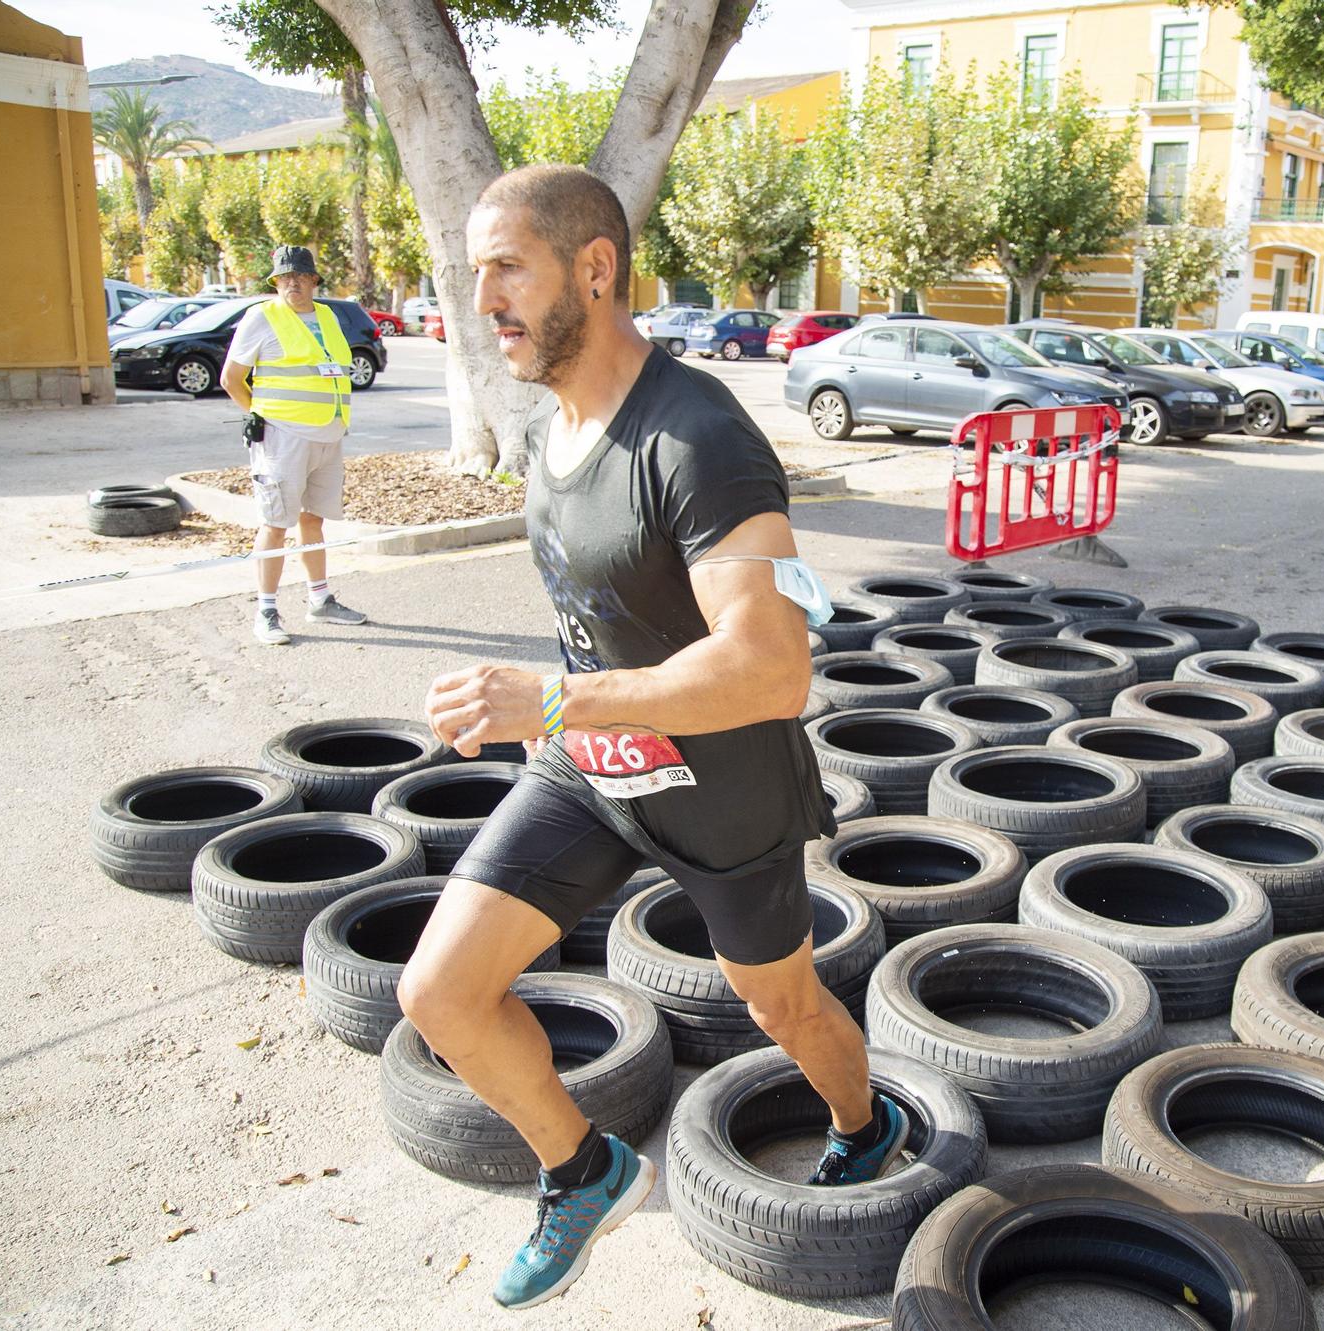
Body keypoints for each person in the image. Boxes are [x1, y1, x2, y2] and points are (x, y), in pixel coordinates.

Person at [402, 163, 901, 1311]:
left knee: (780, 1006)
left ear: (594, 266)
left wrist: (556, 700)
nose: (482, 303)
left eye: (507, 270)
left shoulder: (695, 438)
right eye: (472, 275)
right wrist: (544, 711)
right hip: (593, 767)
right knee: (440, 990)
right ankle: (583, 1171)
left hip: (725, 788)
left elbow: (774, 666)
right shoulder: (549, 426)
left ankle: (862, 1125)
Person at [219, 244, 367, 645]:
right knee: (275, 523)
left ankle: (320, 600)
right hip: (284, 437)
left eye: (300, 276)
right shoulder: (261, 317)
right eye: (285, 278)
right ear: (276, 282)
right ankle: (266, 610)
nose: (292, 284)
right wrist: (258, 413)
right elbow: (231, 379)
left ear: (314, 280)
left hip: (328, 433)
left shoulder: (328, 316)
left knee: (312, 519)